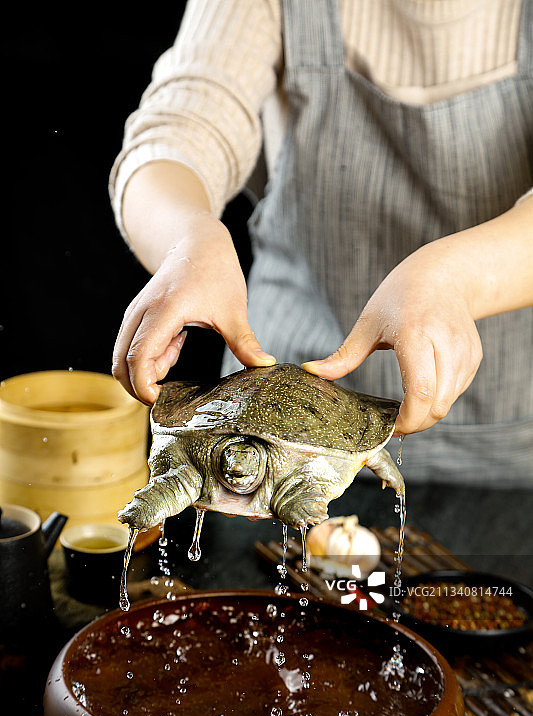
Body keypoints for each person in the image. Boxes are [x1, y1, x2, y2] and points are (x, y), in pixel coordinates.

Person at [110, 0, 533, 487]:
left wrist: (455, 278)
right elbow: (176, 129)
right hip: (270, 454)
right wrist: (188, 240)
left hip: (513, 461)